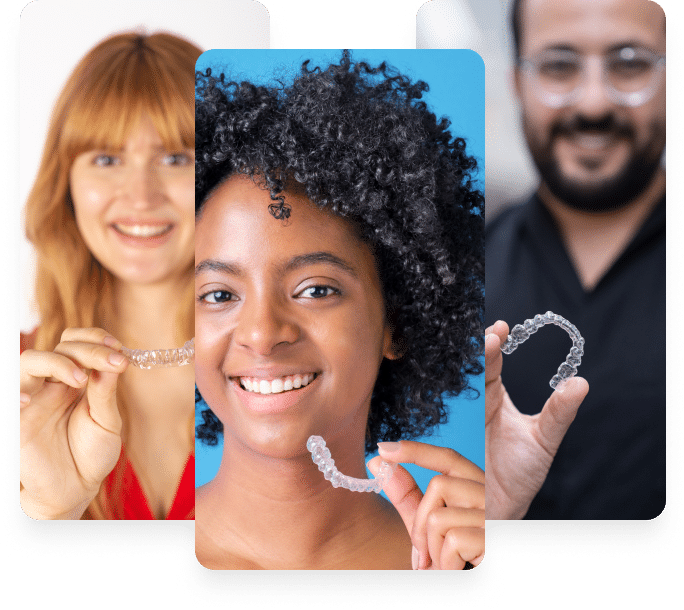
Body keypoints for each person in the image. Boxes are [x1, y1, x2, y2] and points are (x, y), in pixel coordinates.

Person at [194, 51, 485, 569]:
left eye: (315, 289)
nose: (262, 335)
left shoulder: (457, 567)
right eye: (220, 295)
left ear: (396, 318)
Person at [486, 0, 666, 519]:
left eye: (629, 62)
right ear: (517, 83)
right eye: (559, 65)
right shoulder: (453, 276)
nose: (592, 104)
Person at [19, 32, 201, 520]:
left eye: (175, 157)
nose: (141, 196)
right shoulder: (20, 385)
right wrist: (47, 513)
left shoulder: (289, 373)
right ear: (67, 185)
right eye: (107, 159)